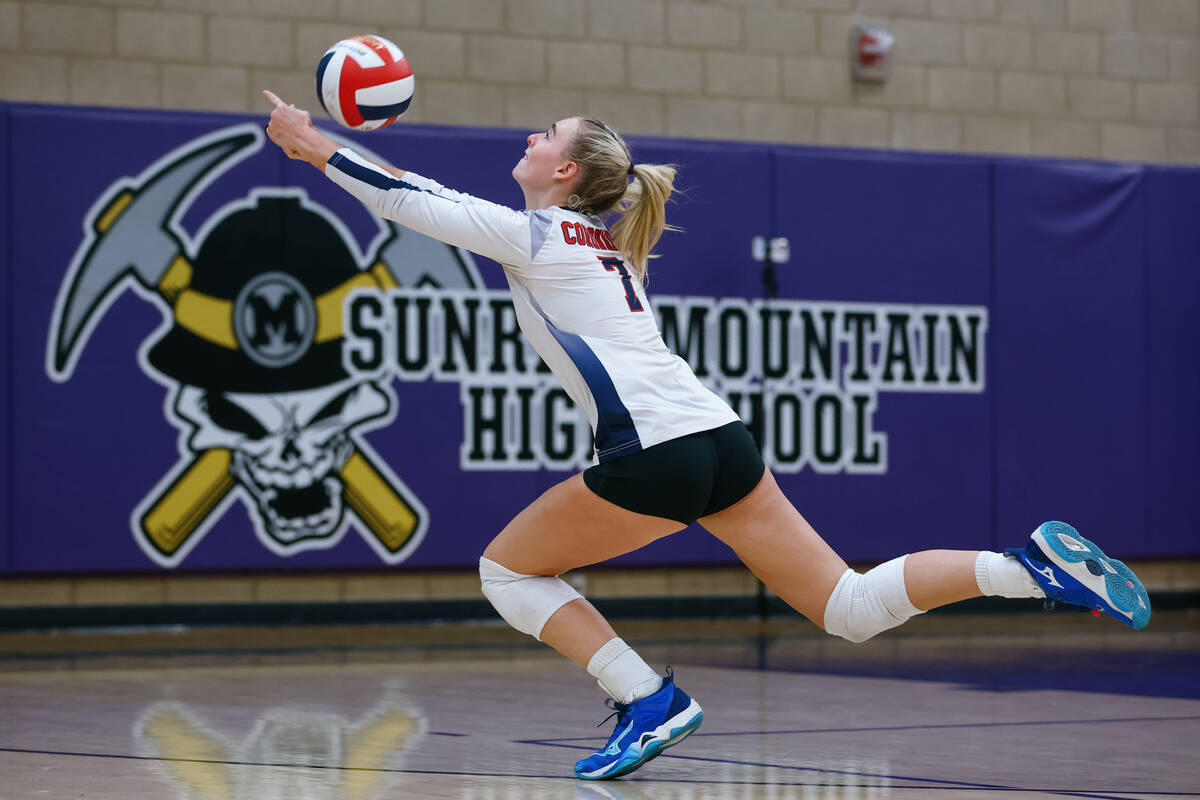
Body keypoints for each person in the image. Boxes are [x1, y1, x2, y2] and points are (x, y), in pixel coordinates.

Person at [261, 90, 1152, 781]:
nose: (531, 136)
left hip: (659, 452)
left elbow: (407, 198)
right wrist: (328, 144)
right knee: (846, 607)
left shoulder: (540, 239)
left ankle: (646, 698)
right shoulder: (591, 241)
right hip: (722, 440)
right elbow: (425, 195)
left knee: (508, 571)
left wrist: (312, 145)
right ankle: (1027, 568)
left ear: (565, 171)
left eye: (547, 133)